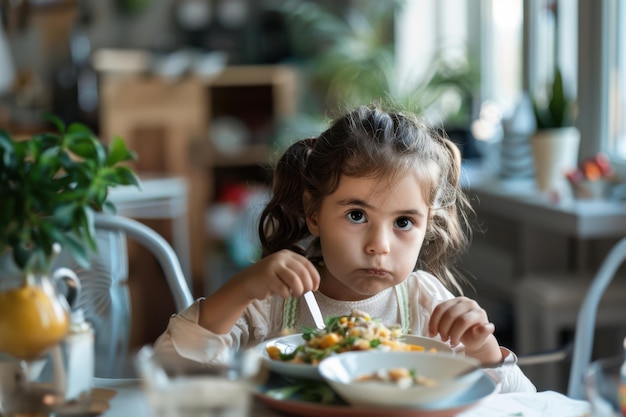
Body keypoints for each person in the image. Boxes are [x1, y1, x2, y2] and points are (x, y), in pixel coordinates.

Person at [153, 103, 536, 393]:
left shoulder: (425, 302)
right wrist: (242, 288)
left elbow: (525, 402)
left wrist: (484, 350)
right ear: (313, 213)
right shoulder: (271, 302)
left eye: (404, 222)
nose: (378, 246)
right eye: (356, 215)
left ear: (427, 226)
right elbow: (169, 368)